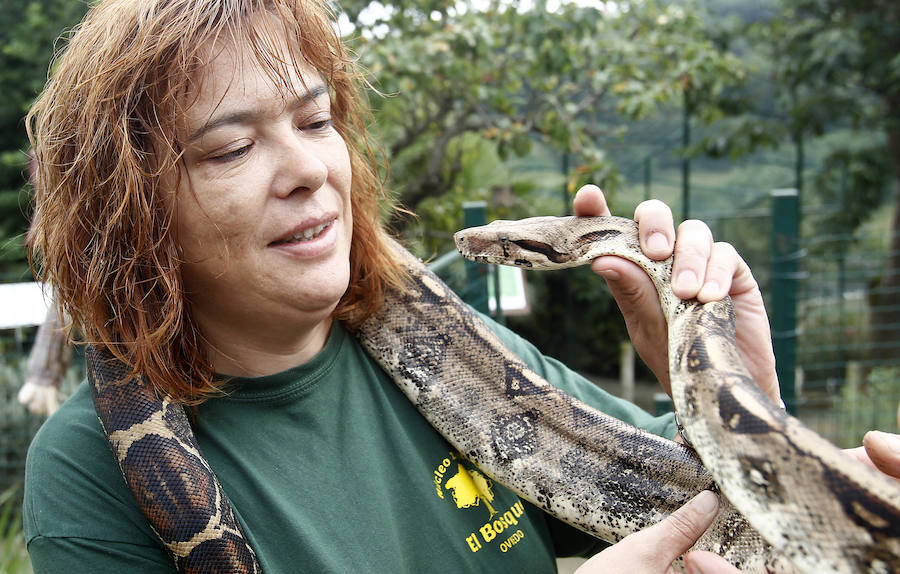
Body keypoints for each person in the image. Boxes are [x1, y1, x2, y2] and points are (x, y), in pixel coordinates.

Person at [21, 0, 900, 573]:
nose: (306, 170)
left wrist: (734, 390)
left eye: (316, 119)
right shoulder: (92, 462)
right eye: (230, 147)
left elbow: (712, 507)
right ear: (132, 210)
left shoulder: (458, 351)